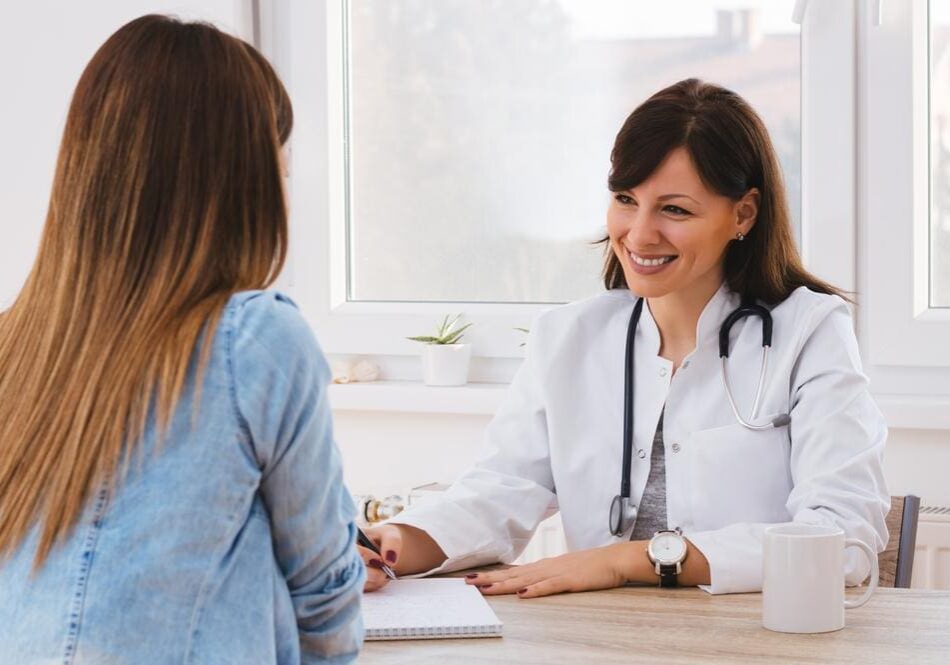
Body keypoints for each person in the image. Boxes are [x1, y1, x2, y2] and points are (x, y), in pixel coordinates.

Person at [360, 78, 890, 597]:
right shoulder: (568, 338)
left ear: (742, 214)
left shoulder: (810, 332)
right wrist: (396, 540)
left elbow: (840, 540)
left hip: (755, 641)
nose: (639, 234)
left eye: (675, 209)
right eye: (625, 199)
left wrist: (624, 560)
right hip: (604, 641)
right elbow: (501, 491)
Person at [0, 15, 363, 663]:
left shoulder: (18, 343)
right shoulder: (255, 336)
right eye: (278, 165)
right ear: (243, 180)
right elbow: (324, 589)